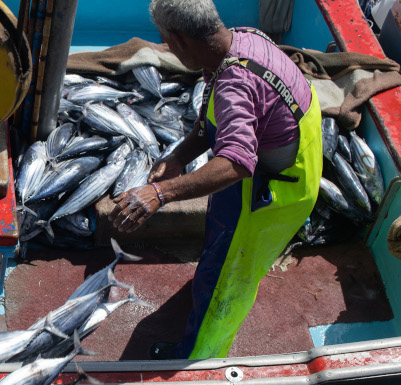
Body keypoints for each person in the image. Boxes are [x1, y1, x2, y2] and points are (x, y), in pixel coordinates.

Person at [111, 0, 322, 359]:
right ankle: (210, 282)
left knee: (227, 282)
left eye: (166, 42)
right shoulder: (243, 39)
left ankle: (197, 358)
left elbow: (236, 163)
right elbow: (215, 113)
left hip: (268, 195)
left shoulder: (235, 84)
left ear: (180, 40)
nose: (167, 49)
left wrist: (159, 193)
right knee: (217, 257)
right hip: (289, 164)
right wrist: (180, 156)